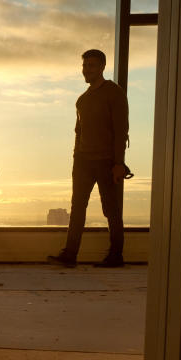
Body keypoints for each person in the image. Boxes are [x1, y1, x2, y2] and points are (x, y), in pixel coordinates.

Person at [48, 49, 129, 268]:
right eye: (84, 65)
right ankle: (70, 254)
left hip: (107, 161)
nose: (86, 69)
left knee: (111, 209)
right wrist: (76, 159)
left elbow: (121, 130)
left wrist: (118, 163)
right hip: (83, 162)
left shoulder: (114, 92)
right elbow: (78, 132)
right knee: (77, 208)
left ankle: (115, 256)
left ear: (102, 67)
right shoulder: (82, 100)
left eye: (91, 65)